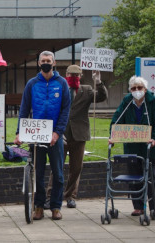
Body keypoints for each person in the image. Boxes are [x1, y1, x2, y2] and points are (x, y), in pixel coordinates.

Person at [14, 51, 71, 220]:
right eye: (43, 60)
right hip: (36, 135)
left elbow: (66, 110)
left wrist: (57, 132)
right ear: (39, 63)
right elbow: (24, 109)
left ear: (54, 63)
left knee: (58, 174)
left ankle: (55, 207)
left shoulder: (62, 84)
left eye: (49, 60)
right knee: (37, 173)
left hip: (55, 136)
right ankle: (38, 207)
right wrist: (19, 132)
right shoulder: (32, 84)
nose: (46, 63)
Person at [44, 65, 108, 209]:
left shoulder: (86, 90)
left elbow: (102, 97)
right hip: (61, 133)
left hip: (79, 134)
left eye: (76, 75)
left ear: (80, 76)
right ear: (66, 74)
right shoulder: (59, 88)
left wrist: (97, 81)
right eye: (71, 74)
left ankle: (70, 196)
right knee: (56, 167)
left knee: (76, 168)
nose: (73, 77)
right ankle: (50, 196)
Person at [109, 75, 155, 217]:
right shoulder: (127, 102)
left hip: (150, 149)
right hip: (132, 148)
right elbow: (117, 120)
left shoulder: (154, 103)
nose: (136, 90)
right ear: (130, 90)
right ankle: (138, 207)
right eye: (133, 88)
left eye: (139, 88)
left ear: (145, 89)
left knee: (151, 179)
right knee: (134, 178)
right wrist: (113, 136)